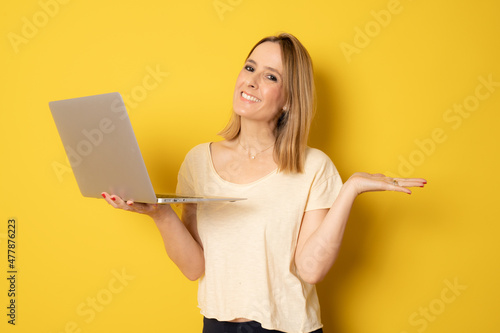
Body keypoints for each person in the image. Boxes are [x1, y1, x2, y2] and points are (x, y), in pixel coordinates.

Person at [101, 33, 426, 333]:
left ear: (288, 100)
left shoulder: (313, 167)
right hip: (217, 325)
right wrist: (159, 213)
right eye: (249, 67)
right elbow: (193, 266)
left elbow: (311, 270)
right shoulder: (198, 161)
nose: (251, 81)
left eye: (270, 76)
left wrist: (349, 189)